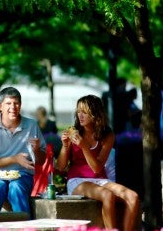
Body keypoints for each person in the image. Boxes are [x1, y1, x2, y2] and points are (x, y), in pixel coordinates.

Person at [56, 95, 139, 231]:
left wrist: (83, 146)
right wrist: (65, 146)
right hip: (77, 181)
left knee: (133, 197)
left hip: (100, 179)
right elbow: (60, 166)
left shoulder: (107, 134)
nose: (80, 115)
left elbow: (97, 168)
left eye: (84, 112)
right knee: (107, 195)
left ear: (95, 113)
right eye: (78, 111)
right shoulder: (74, 133)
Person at [0, 87, 46, 215]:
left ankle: (26, 229)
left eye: (16, 103)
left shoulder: (31, 125)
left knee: (16, 188)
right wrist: (14, 159)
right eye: (8, 103)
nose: (13, 107)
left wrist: (36, 150)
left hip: (22, 176)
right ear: (0, 106)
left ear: (20, 105)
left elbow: (41, 161)